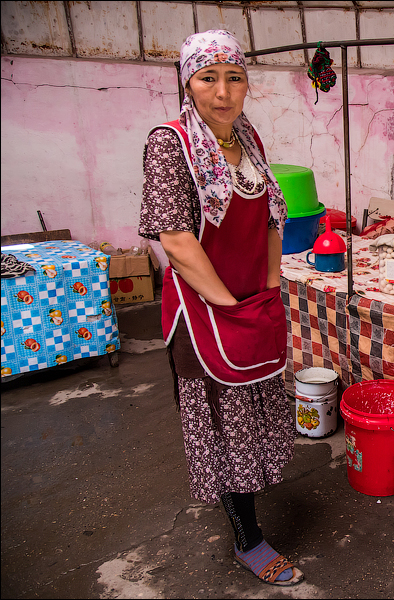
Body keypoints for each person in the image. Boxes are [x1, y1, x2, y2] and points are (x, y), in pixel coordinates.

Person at [138, 30, 303, 586]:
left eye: (235, 78)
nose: (224, 92)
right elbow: (177, 241)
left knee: (253, 412)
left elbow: (272, 216)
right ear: (188, 83)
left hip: (250, 298)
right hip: (204, 308)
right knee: (224, 426)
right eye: (209, 78)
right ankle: (248, 540)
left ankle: (249, 510)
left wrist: (272, 285)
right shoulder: (171, 144)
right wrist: (228, 304)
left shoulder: (246, 139)